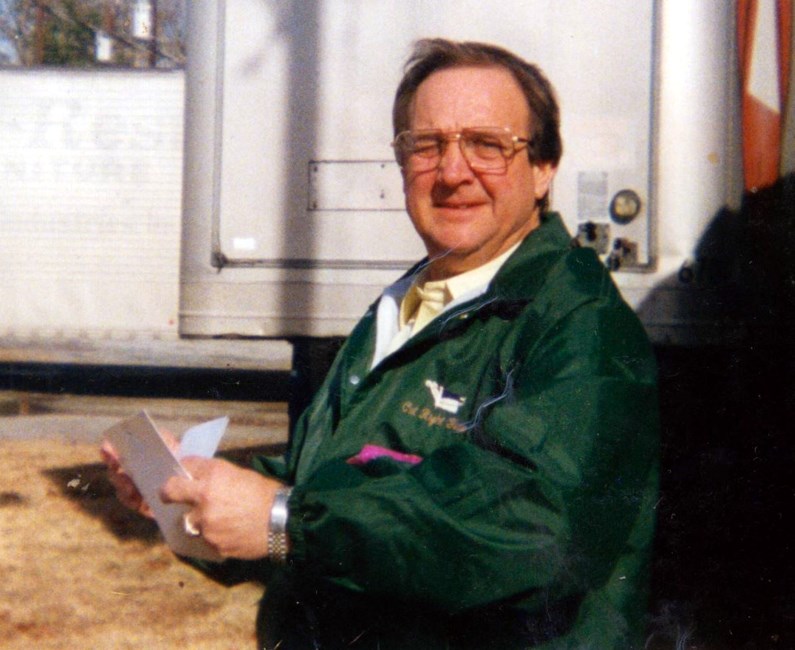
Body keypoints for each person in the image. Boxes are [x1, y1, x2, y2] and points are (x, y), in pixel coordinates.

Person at [103, 38, 659, 649]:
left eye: (487, 145)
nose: (452, 172)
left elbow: (527, 529)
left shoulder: (580, 325)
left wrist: (285, 521)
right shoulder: (411, 302)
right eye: (427, 145)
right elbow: (334, 479)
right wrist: (196, 492)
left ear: (544, 167)